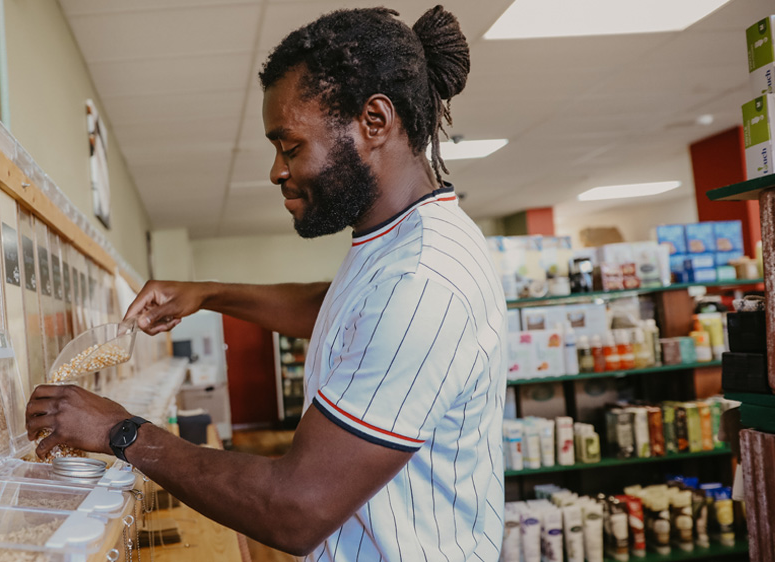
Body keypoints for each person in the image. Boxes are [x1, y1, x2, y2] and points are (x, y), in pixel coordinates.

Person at [26, 6, 507, 560]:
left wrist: (120, 432)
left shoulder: (424, 280)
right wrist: (209, 294)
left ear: (374, 121)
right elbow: (338, 309)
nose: (276, 170)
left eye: (291, 145)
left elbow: (295, 507)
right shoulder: (401, 245)